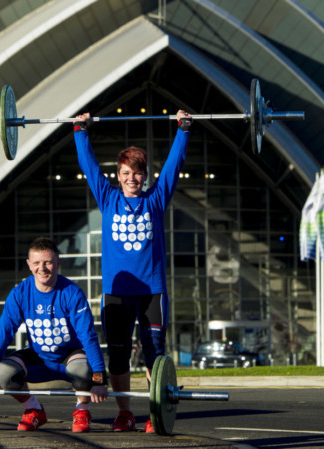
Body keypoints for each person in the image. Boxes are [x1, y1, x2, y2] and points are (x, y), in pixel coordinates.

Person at [73, 109, 192, 432]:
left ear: (145, 175)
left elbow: (173, 167)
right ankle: (125, 413)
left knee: (155, 352)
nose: (132, 178)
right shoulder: (108, 198)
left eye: (137, 173)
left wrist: (183, 129)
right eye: (126, 172)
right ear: (118, 174)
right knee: (119, 355)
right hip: (116, 292)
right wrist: (79, 131)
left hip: (152, 291)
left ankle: (156, 411)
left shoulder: (155, 200)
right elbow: (89, 167)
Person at [0, 237, 108, 432]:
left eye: (48, 262)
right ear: (29, 265)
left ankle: (82, 411)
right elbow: (3, 334)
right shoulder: (20, 293)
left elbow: (88, 336)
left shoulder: (72, 293)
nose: (42, 268)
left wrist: (99, 377)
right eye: (36, 263)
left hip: (68, 358)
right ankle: (34, 410)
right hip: (38, 358)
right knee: (4, 372)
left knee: (84, 368)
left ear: (58, 263)